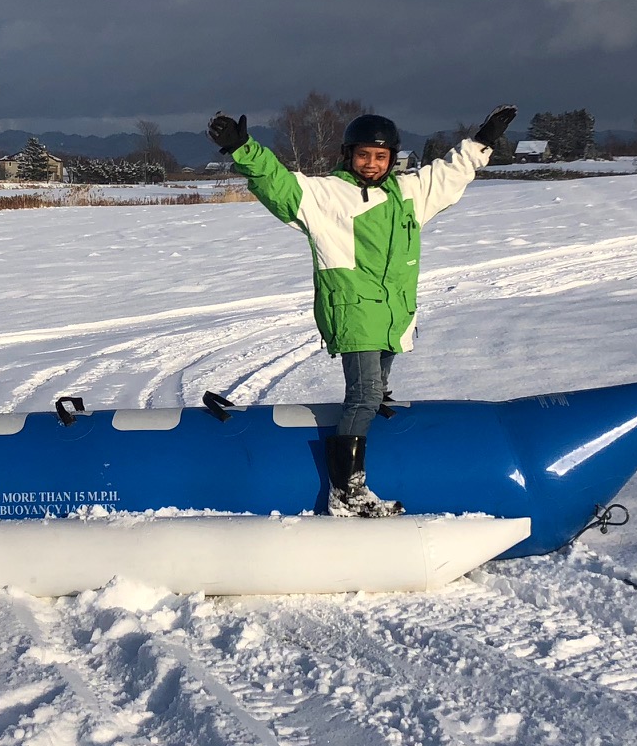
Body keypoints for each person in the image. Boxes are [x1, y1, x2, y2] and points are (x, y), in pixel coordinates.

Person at [208, 104, 516, 516]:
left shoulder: (409, 193)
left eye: (381, 156)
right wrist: (243, 147)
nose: (372, 164)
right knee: (365, 394)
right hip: (353, 311)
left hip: (393, 313)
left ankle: (370, 452)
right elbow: (277, 183)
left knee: (377, 392)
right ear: (348, 155)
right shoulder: (327, 196)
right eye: (363, 155)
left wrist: (483, 140)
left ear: (392, 159)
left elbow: (450, 173)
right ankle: (346, 493)